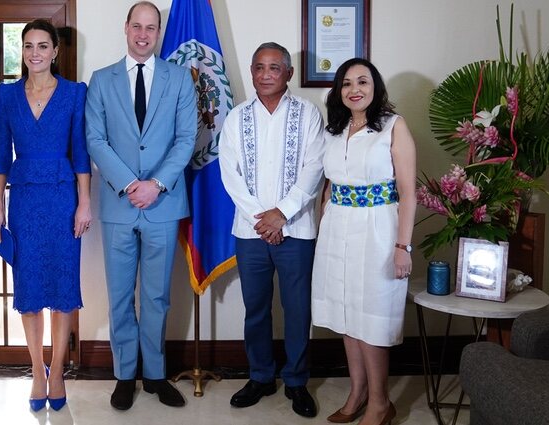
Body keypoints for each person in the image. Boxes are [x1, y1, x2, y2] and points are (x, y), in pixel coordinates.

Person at [85, 1, 196, 411]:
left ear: (159, 31)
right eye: (138, 26)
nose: (144, 34)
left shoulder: (181, 79)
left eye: (152, 27)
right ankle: (123, 376)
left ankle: (155, 375)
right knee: (118, 296)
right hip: (118, 206)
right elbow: (95, 140)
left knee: (156, 297)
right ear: (126, 27)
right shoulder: (100, 80)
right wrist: (132, 184)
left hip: (163, 205)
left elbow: (186, 138)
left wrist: (157, 184)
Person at [0, 19, 92, 412]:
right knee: (30, 289)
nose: (35, 53)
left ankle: (58, 372)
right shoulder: (7, 95)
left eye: (43, 46)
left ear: (55, 51)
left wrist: (84, 202)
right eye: (29, 46)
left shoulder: (73, 93)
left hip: (64, 199)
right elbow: (1, 156)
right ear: (23, 51)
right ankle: (36, 370)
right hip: (25, 202)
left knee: (64, 288)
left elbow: (80, 153)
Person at [219, 42, 325, 418]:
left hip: (296, 230)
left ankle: (296, 381)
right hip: (250, 233)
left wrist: (281, 214)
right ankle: (261, 376)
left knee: (297, 309)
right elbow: (229, 175)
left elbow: (315, 168)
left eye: (274, 68)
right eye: (259, 67)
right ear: (251, 72)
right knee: (256, 309)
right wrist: (262, 221)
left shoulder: (309, 114)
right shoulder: (236, 117)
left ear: (289, 74)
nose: (266, 75)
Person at [311, 58, 416, 425]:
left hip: (378, 229)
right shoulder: (335, 129)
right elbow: (329, 183)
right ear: (339, 91)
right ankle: (356, 394)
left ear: (375, 87)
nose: (355, 89)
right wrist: (325, 215)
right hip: (338, 227)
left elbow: (408, 192)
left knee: (371, 319)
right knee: (345, 314)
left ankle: (380, 403)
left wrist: (403, 247)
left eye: (363, 82)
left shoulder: (392, 127)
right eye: (347, 83)